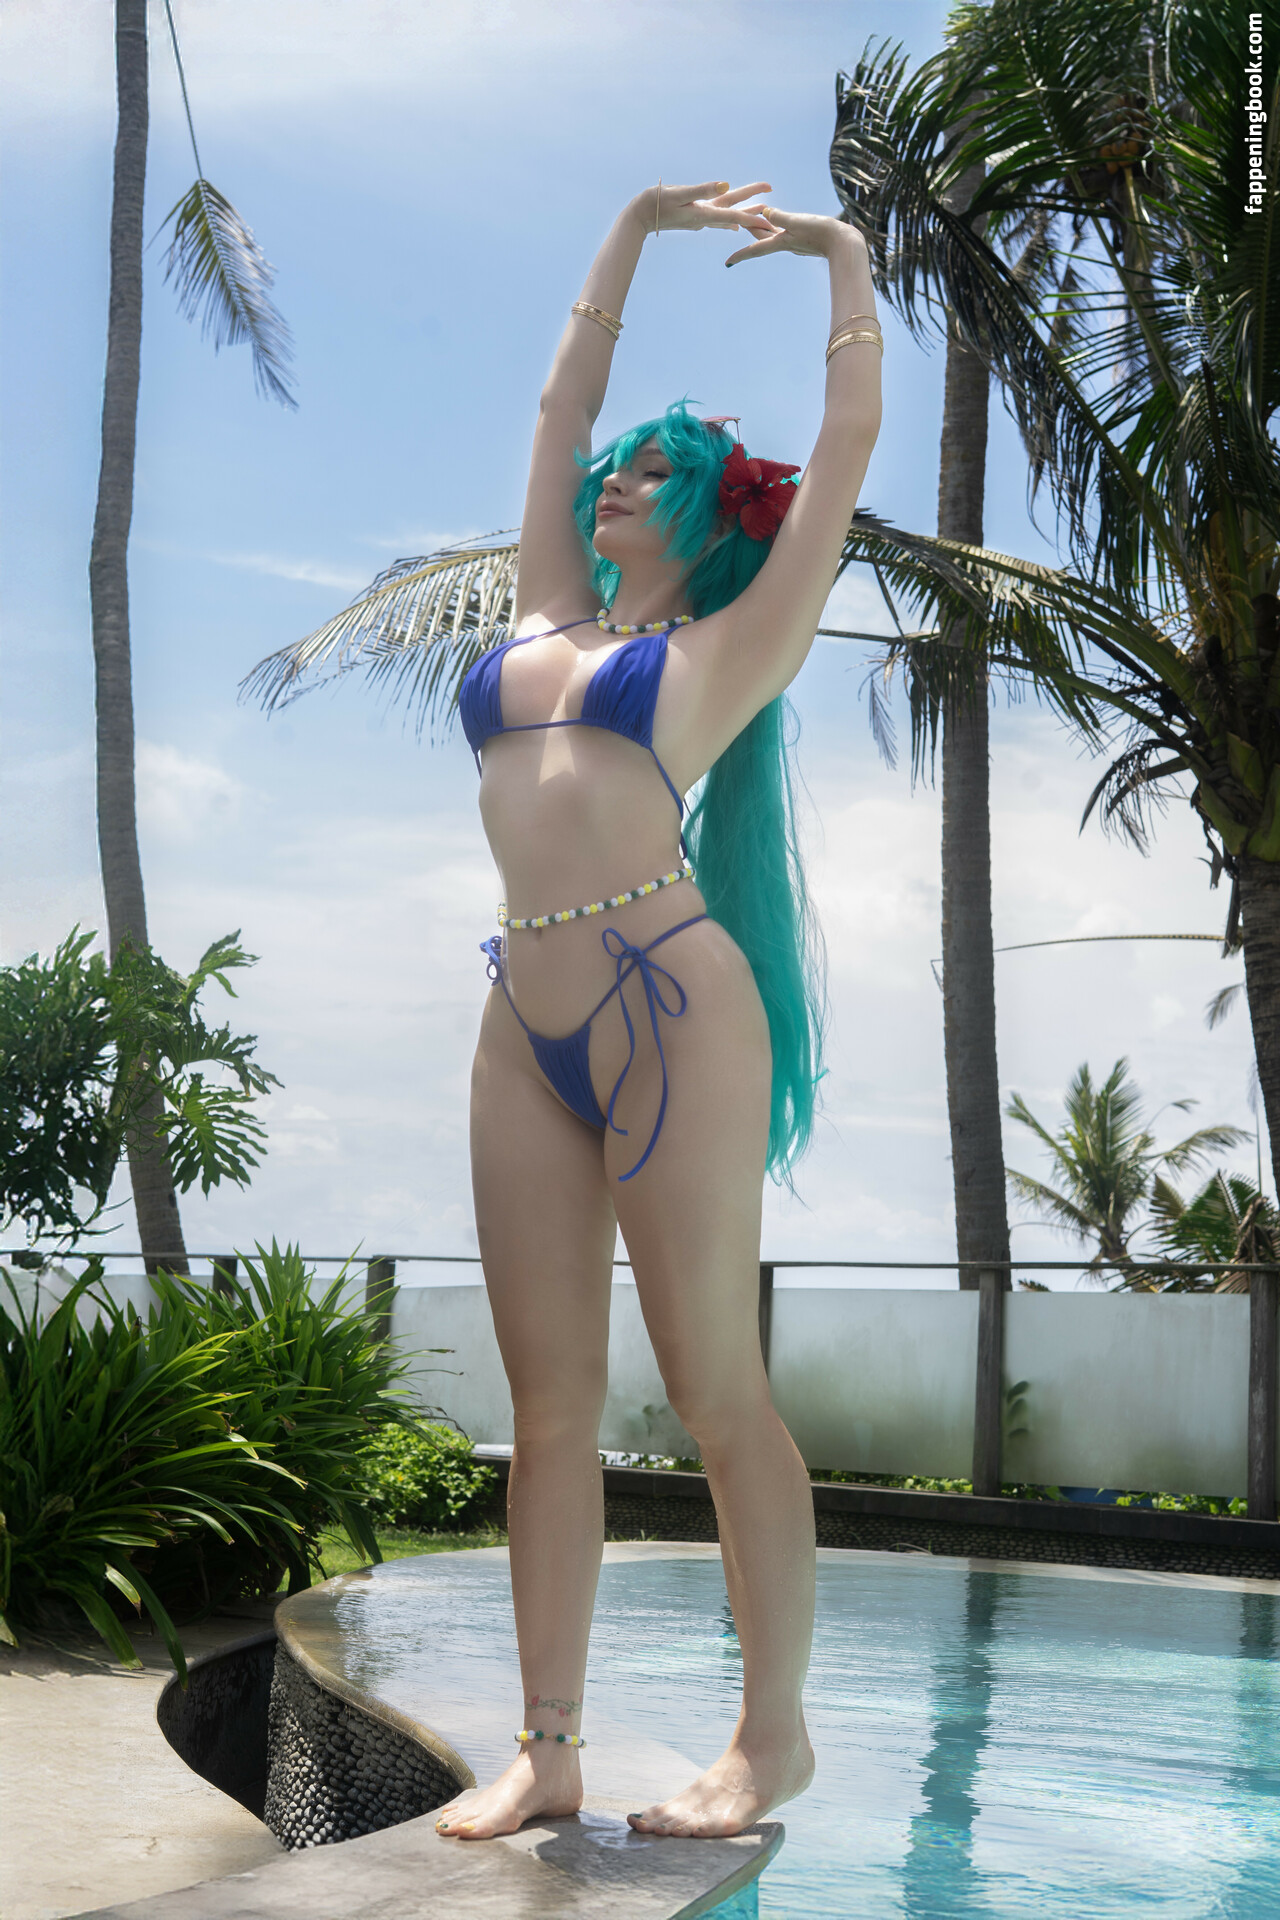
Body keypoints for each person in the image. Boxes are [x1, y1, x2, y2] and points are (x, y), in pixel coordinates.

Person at [432, 180, 882, 1843]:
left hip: (669, 1006)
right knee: (548, 1405)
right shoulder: (546, 610)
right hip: (524, 1013)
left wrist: (844, 264)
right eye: (619, 466)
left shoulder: (736, 644)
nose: (616, 474)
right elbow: (561, 407)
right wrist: (628, 226)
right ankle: (548, 1748)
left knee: (715, 1391)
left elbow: (845, 446)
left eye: (654, 470)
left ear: (704, 517)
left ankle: (774, 1737)